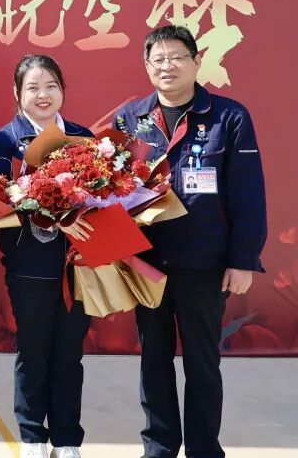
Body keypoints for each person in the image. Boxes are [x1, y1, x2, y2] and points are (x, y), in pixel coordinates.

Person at [113, 25, 266, 458]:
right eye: (158, 59)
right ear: (147, 66)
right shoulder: (130, 119)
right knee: (153, 359)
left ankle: (203, 449)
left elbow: (248, 194)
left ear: (197, 62)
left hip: (204, 263)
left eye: (177, 57)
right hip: (147, 263)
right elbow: (112, 190)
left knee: (202, 362)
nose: (167, 66)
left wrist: (243, 259)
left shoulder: (229, 117)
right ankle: (159, 447)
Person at [0, 54, 94, 458]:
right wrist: (44, 204)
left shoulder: (83, 137)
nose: (43, 95)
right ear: (17, 94)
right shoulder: (4, 141)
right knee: (32, 351)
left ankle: (66, 439)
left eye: (51, 86)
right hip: (28, 263)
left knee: (69, 353)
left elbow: (102, 197)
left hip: (78, 264)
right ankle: (32, 436)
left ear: (63, 90)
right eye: (33, 87)